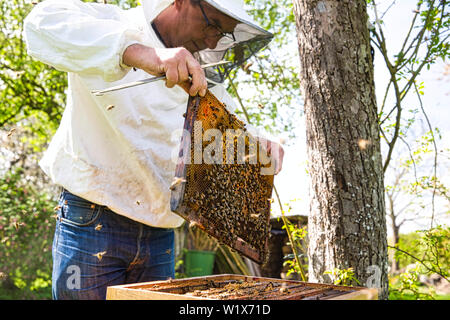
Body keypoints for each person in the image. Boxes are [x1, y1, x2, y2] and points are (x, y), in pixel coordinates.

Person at [24, 0, 284, 300]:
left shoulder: (206, 73)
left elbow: (231, 132)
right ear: (181, 3)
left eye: (224, 33)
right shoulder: (116, 23)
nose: (214, 40)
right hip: (92, 222)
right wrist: (143, 54)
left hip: (161, 234)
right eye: (212, 24)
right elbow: (40, 23)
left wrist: (262, 146)